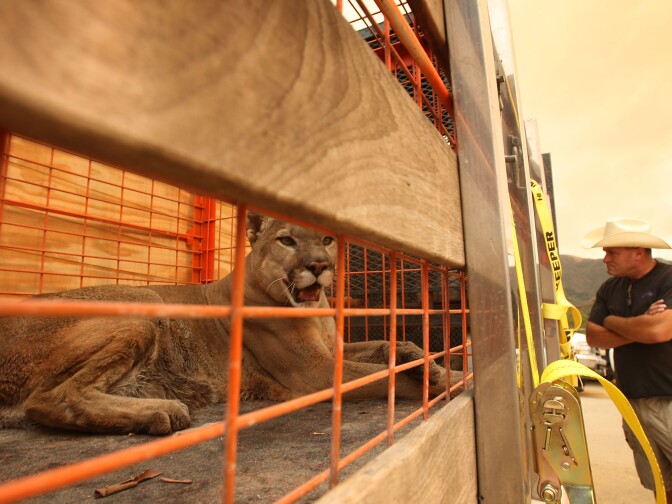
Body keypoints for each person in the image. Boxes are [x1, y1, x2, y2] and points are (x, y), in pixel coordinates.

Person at [583, 217, 672, 503]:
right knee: (660, 483)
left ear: (638, 251)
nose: (605, 258)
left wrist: (613, 322)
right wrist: (641, 325)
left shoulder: (668, 279)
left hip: (669, 397)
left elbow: (660, 330)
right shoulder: (610, 288)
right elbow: (594, 336)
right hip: (631, 401)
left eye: (613, 252)